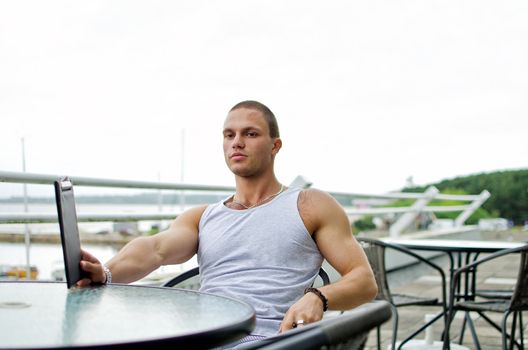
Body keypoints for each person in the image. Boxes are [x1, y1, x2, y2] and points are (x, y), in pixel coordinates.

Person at [78, 100, 378, 345]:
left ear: (275, 146)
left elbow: (363, 281)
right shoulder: (202, 217)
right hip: (205, 336)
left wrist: (318, 297)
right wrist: (104, 272)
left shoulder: (310, 205)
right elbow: (155, 249)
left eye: (250, 134)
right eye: (229, 135)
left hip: (270, 340)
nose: (237, 143)